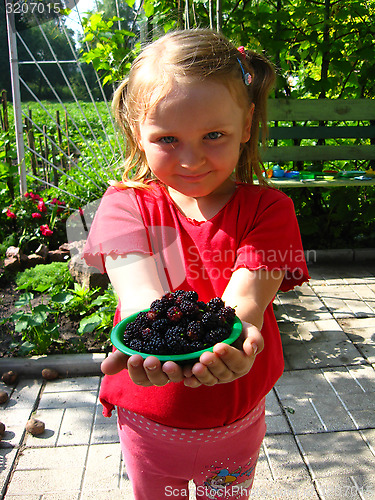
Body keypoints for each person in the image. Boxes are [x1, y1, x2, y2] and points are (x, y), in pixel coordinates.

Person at [83, 28, 309, 500]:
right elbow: (143, 298)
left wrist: (232, 336)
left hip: (235, 420)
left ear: (246, 126)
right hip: (149, 420)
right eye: (167, 138)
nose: (191, 159)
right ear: (136, 135)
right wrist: (153, 336)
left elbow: (244, 300)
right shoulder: (126, 206)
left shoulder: (269, 211)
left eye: (214, 135)